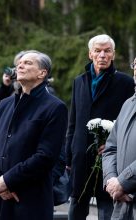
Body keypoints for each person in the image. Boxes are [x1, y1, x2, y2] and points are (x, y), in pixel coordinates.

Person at [0, 50, 68, 220]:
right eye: (19, 63)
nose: (20, 65)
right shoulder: (3, 105)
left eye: (28, 63)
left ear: (42, 73)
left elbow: (45, 157)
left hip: (29, 199)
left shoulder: (55, 108)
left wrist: (7, 180)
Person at [65, 34, 135, 220]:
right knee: (76, 205)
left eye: (107, 51)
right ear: (90, 54)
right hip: (80, 156)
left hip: (108, 157)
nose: (102, 55)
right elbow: (73, 121)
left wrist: (114, 146)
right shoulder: (79, 81)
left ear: (113, 54)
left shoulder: (125, 82)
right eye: (98, 51)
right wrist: (69, 155)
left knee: (106, 205)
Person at [102, 57, 136, 220]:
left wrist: (123, 182)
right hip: (123, 202)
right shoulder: (128, 104)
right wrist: (111, 180)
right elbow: (111, 148)